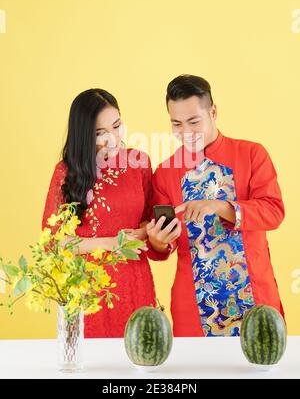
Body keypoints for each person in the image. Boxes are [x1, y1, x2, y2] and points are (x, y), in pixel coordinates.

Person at [146, 75, 285, 337]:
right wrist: (158, 240)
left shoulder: (252, 154)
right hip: (194, 307)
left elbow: (274, 211)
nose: (185, 132)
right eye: (176, 124)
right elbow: (163, 245)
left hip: (253, 297)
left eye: (194, 121)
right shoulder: (165, 172)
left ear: (213, 111)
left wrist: (221, 206)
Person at [42, 88, 156, 337]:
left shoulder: (139, 162)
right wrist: (111, 243)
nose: (113, 138)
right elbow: (54, 242)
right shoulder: (66, 173)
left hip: (134, 280)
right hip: (87, 287)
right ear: (84, 136)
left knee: (141, 354)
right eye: (100, 133)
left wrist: (142, 231)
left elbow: (152, 218)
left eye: (117, 126)